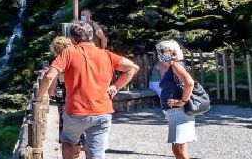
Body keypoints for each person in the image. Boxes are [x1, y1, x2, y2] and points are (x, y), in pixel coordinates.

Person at [37, 20, 139, 159]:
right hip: (103, 112)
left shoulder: (68, 53)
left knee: (68, 142)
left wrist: (38, 98)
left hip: (76, 112)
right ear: (92, 36)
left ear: (72, 39)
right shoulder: (107, 55)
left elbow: (49, 77)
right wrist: (115, 86)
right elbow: (133, 68)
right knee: (96, 154)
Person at [152, 40, 198, 159]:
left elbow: (189, 82)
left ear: (173, 53)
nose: (160, 54)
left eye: (163, 51)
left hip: (178, 112)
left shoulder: (175, 65)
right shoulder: (170, 67)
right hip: (174, 112)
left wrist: (182, 101)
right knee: (176, 148)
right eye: (159, 51)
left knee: (179, 147)